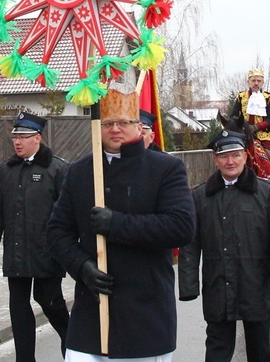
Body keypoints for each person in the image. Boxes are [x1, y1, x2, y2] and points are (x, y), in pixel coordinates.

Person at [46, 88, 196, 361]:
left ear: (139, 126)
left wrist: (117, 224)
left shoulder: (165, 169)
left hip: (145, 315)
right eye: (108, 123)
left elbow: (181, 226)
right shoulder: (80, 172)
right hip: (92, 313)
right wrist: (81, 266)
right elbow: (57, 231)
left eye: (124, 122)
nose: (115, 129)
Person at [178, 130, 270, 362]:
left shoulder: (267, 192)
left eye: (235, 155)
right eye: (223, 156)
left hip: (257, 286)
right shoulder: (201, 196)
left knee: (259, 351)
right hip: (217, 286)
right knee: (216, 352)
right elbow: (190, 244)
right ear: (215, 159)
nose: (230, 161)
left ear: (245, 156)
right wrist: (189, 285)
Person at [0, 112, 70, 361]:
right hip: (16, 252)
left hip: (47, 253)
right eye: (15, 137)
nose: (17, 142)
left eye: (23, 136)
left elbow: (68, 214)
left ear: (38, 138)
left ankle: (72, 345)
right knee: (18, 308)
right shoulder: (7, 170)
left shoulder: (58, 169)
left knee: (50, 302)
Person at [230, 68, 270, 191]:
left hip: (263, 135)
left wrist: (257, 127)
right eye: (253, 80)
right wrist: (242, 126)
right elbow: (232, 116)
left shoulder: (268, 97)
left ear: (262, 83)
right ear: (249, 82)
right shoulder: (241, 97)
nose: (256, 83)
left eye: (259, 81)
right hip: (243, 135)